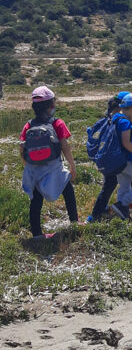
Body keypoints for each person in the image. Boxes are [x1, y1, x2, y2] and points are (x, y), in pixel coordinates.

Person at [20, 86, 78, 239]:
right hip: (53, 168)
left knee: (36, 200)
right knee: (68, 191)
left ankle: (37, 234)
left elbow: (22, 148)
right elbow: (65, 146)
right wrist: (72, 166)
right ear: (51, 104)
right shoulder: (57, 123)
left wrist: (29, 167)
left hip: (34, 170)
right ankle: (74, 222)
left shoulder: (28, 125)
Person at [87, 91, 131, 222]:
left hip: (106, 159)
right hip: (116, 160)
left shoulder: (107, 121)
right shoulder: (119, 122)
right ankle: (96, 215)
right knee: (121, 183)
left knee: (109, 185)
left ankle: (97, 214)